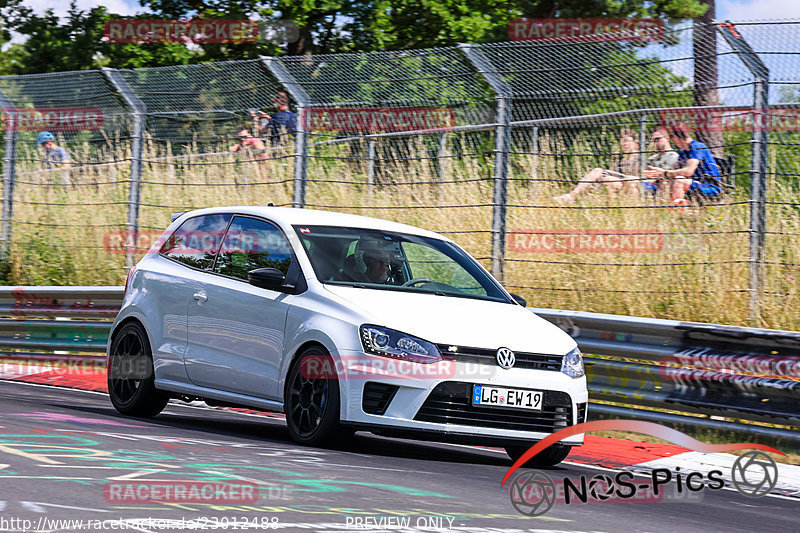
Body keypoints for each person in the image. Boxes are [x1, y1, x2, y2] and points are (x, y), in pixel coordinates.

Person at [644, 122, 722, 206]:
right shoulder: (683, 152)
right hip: (693, 183)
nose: (671, 140)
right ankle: (662, 210)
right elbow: (673, 170)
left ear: (677, 137)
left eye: (671, 137)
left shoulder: (697, 147)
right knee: (665, 183)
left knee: (678, 180)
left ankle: (678, 213)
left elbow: (689, 171)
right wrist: (659, 174)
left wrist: (665, 173)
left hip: (709, 186)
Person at [553, 130, 641, 203]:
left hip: (628, 183)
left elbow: (637, 178)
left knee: (603, 176)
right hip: (616, 181)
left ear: (635, 142)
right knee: (598, 172)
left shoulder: (639, 159)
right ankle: (572, 196)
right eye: (622, 141)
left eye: (627, 141)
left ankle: (573, 197)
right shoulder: (619, 159)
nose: (624, 144)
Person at [642, 126, 679, 198]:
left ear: (667, 138)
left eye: (657, 139)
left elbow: (664, 176)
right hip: (648, 183)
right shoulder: (652, 158)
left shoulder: (673, 156)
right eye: (653, 140)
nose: (655, 142)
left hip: (660, 185)